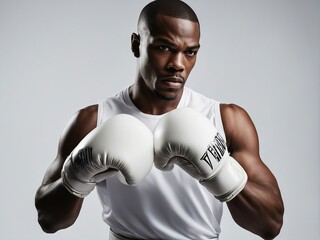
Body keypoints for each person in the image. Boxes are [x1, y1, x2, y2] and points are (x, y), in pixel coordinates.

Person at [35, 0, 284, 239]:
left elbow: (270, 225)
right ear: (136, 44)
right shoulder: (92, 121)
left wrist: (220, 171)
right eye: (164, 47)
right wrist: (76, 174)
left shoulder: (226, 120)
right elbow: (49, 220)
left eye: (190, 52)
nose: (178, 64)